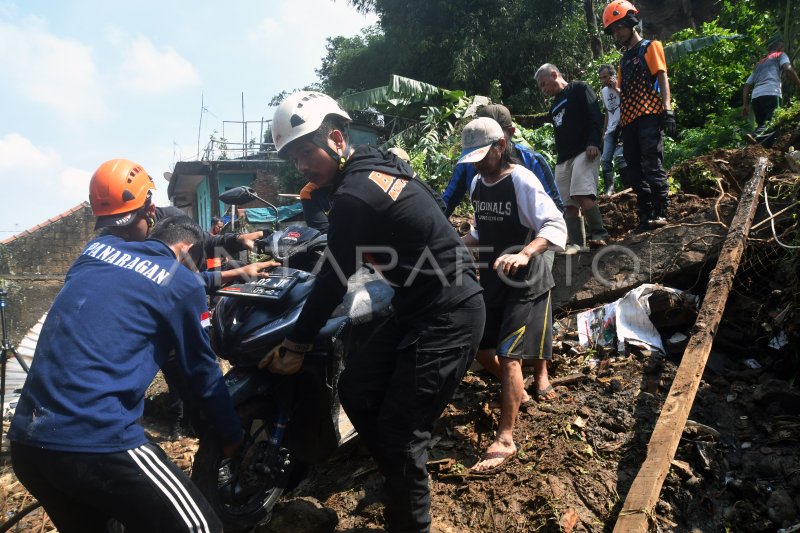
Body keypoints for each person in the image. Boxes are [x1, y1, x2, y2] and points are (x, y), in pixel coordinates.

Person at [267, 90, 485, 532]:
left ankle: (408, 510)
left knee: (402, 435)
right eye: (294, 159)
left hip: (450, 309)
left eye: (307, 152)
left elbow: (333, 277)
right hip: (417, 304)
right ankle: (400, 478)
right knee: (357, 387)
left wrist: (297, 342)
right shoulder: (380, 165)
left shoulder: (354, 195)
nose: (303, 166)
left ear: (335, 138)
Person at [8, 215, 244, 533]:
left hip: (28, 444)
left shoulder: (96, 250)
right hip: (96, 442)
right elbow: (201, 370)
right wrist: (231, 435)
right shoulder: (183, 282)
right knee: (202, 528)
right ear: (187, 249)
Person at [89, 158, 275, 440]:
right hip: (149, 317)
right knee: (167, 375)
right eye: (112, 228)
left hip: (182, 306)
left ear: (149, 210)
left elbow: (204, 244)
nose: (121, 237)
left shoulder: (174, 222)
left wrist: (237, 242)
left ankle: (206, 432)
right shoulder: (107, 246)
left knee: (195, 372)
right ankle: (180, 427)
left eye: (126, 226)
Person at [459, 117, 567, 472]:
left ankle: (506, 438)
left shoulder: (521, 179)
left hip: (524, 280)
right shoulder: (477, 182)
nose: (477, 162)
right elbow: (479, 230)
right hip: (492, 277)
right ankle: (516, 391)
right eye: (471, 157)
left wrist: (525, 253)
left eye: (482, 155)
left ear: (500, 146)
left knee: (510, 357)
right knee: (480, 345)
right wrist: (454, 244)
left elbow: (553, 224)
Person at [603, 0, 675, 233]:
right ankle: (646, 214)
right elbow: (625, 93)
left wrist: (667, 108)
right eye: (613, 30)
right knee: (632, 169)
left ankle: (661, 210)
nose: (617, 33)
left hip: (650, 115)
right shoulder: (624, 60)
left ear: (630, 23)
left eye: (619, 27)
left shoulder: (650, 47)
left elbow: (662, 78)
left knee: (652, 164)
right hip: (629, 120)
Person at [535, 64, 609, 254]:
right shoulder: (554, 106)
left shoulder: (580, 88)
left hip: (584, 150)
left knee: (582, 194)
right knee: (568, 204)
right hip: (563, 158)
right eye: (541, 88)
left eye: (544, 84)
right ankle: (578, 244)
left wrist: (594, 142)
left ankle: (599, 234)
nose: (544, 90)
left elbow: (595, 116)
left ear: (554, 74)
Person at [441, 104, 563, 218]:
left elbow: (555, 210)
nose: (479, 162)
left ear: (510, 134)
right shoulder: (468, 164)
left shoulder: (531, 161)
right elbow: (448, 201)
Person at [742, 35, 800, 144]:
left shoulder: (759, 63)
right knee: (772, 123)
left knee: (762, 125)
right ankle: (754, 136)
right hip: (771, 93)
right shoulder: (780, 55)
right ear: (780, 48)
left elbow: (747, 85)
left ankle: (758, 147)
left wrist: (745, 105)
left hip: (756, 97)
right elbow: (788, 69)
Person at [598, 64, 628, 195]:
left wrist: (616, 88)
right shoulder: (603, 91)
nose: (603, 80)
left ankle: (628, 185)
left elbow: (628, 101)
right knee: (605, 159)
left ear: (612, 76)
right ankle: (609, 188)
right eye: (601, 78)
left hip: (623, 125)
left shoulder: (622, 84)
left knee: (620, 156)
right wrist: (604, 131)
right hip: (610, 129)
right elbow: (607, 111)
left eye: (605, 77)